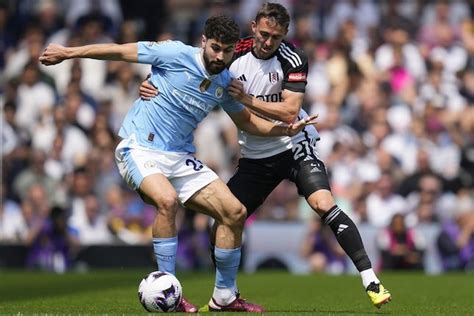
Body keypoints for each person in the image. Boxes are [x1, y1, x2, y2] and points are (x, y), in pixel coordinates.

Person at [39, 15, 316, 313]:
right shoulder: (173, 53)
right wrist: (68, 52)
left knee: (234, 212)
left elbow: (248, 123)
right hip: (140, 147)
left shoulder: (225, 82)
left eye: (227, 51)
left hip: (181, 157)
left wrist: (283, 130)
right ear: (203, 42)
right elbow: (119, 51)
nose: (219, 56)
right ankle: (168, 285)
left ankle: (224, 297)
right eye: (215, 48)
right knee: (167, 201)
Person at [140, 3, 391, 309]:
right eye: (264, 33)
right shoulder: (234, 53)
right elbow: (193, 66)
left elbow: (289, 111)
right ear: (254, 26)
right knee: (224, 219)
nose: (268, 41)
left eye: (275, 36)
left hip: (293, 145)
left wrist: (246, 98)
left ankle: (370, 279)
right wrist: (153, 84)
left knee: (323, 203)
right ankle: (223, 296)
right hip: (255, 156)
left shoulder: (293, 58)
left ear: (285, 34)